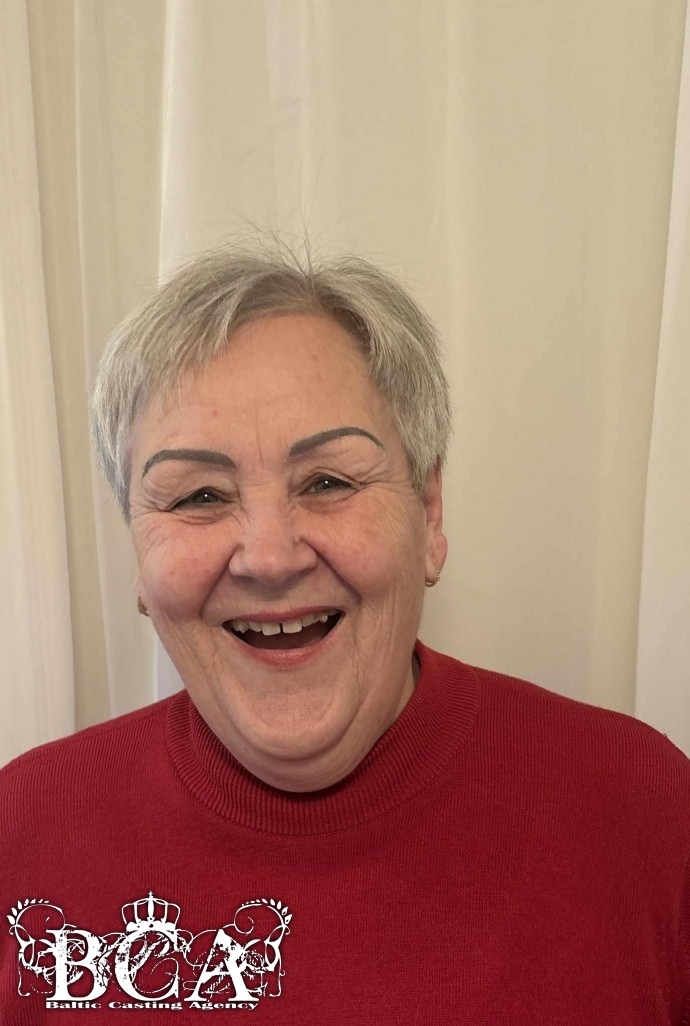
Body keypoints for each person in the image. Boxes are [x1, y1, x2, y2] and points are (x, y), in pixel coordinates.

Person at [1, 244, 688, 1024]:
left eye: (328, 481)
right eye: (198, 496)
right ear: (136, 550)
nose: (268, 557)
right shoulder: (23, 832)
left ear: (429, 513)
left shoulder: (647, 812)